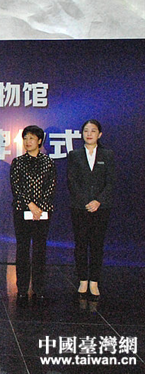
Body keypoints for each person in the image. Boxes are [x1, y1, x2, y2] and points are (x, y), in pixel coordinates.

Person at [67, 119, 115, 300]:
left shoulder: (108, 155)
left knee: (96, 245)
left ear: (99, 134)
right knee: (80, 244)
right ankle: (82, 280)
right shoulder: (75, 155)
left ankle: (94, 281)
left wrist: (98, 201)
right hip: (79, 207)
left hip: (101, 208)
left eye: (93, 131)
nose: (89, 134)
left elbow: (111, 182)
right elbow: (71, 181)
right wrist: (86, 201)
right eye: (86, 130)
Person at [10, 125, 56, 304]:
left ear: (39, 141)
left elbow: (50, 187)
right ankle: (22, 288)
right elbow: (16, 187)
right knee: (22, 249)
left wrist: (40, 208)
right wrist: (30, 205)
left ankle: (39, 288)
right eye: (25, 138)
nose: (28, 142)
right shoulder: (17, 162)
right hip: (22, 211)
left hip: (43, 213)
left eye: (31, 138)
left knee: (39, 250)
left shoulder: (48, 162)